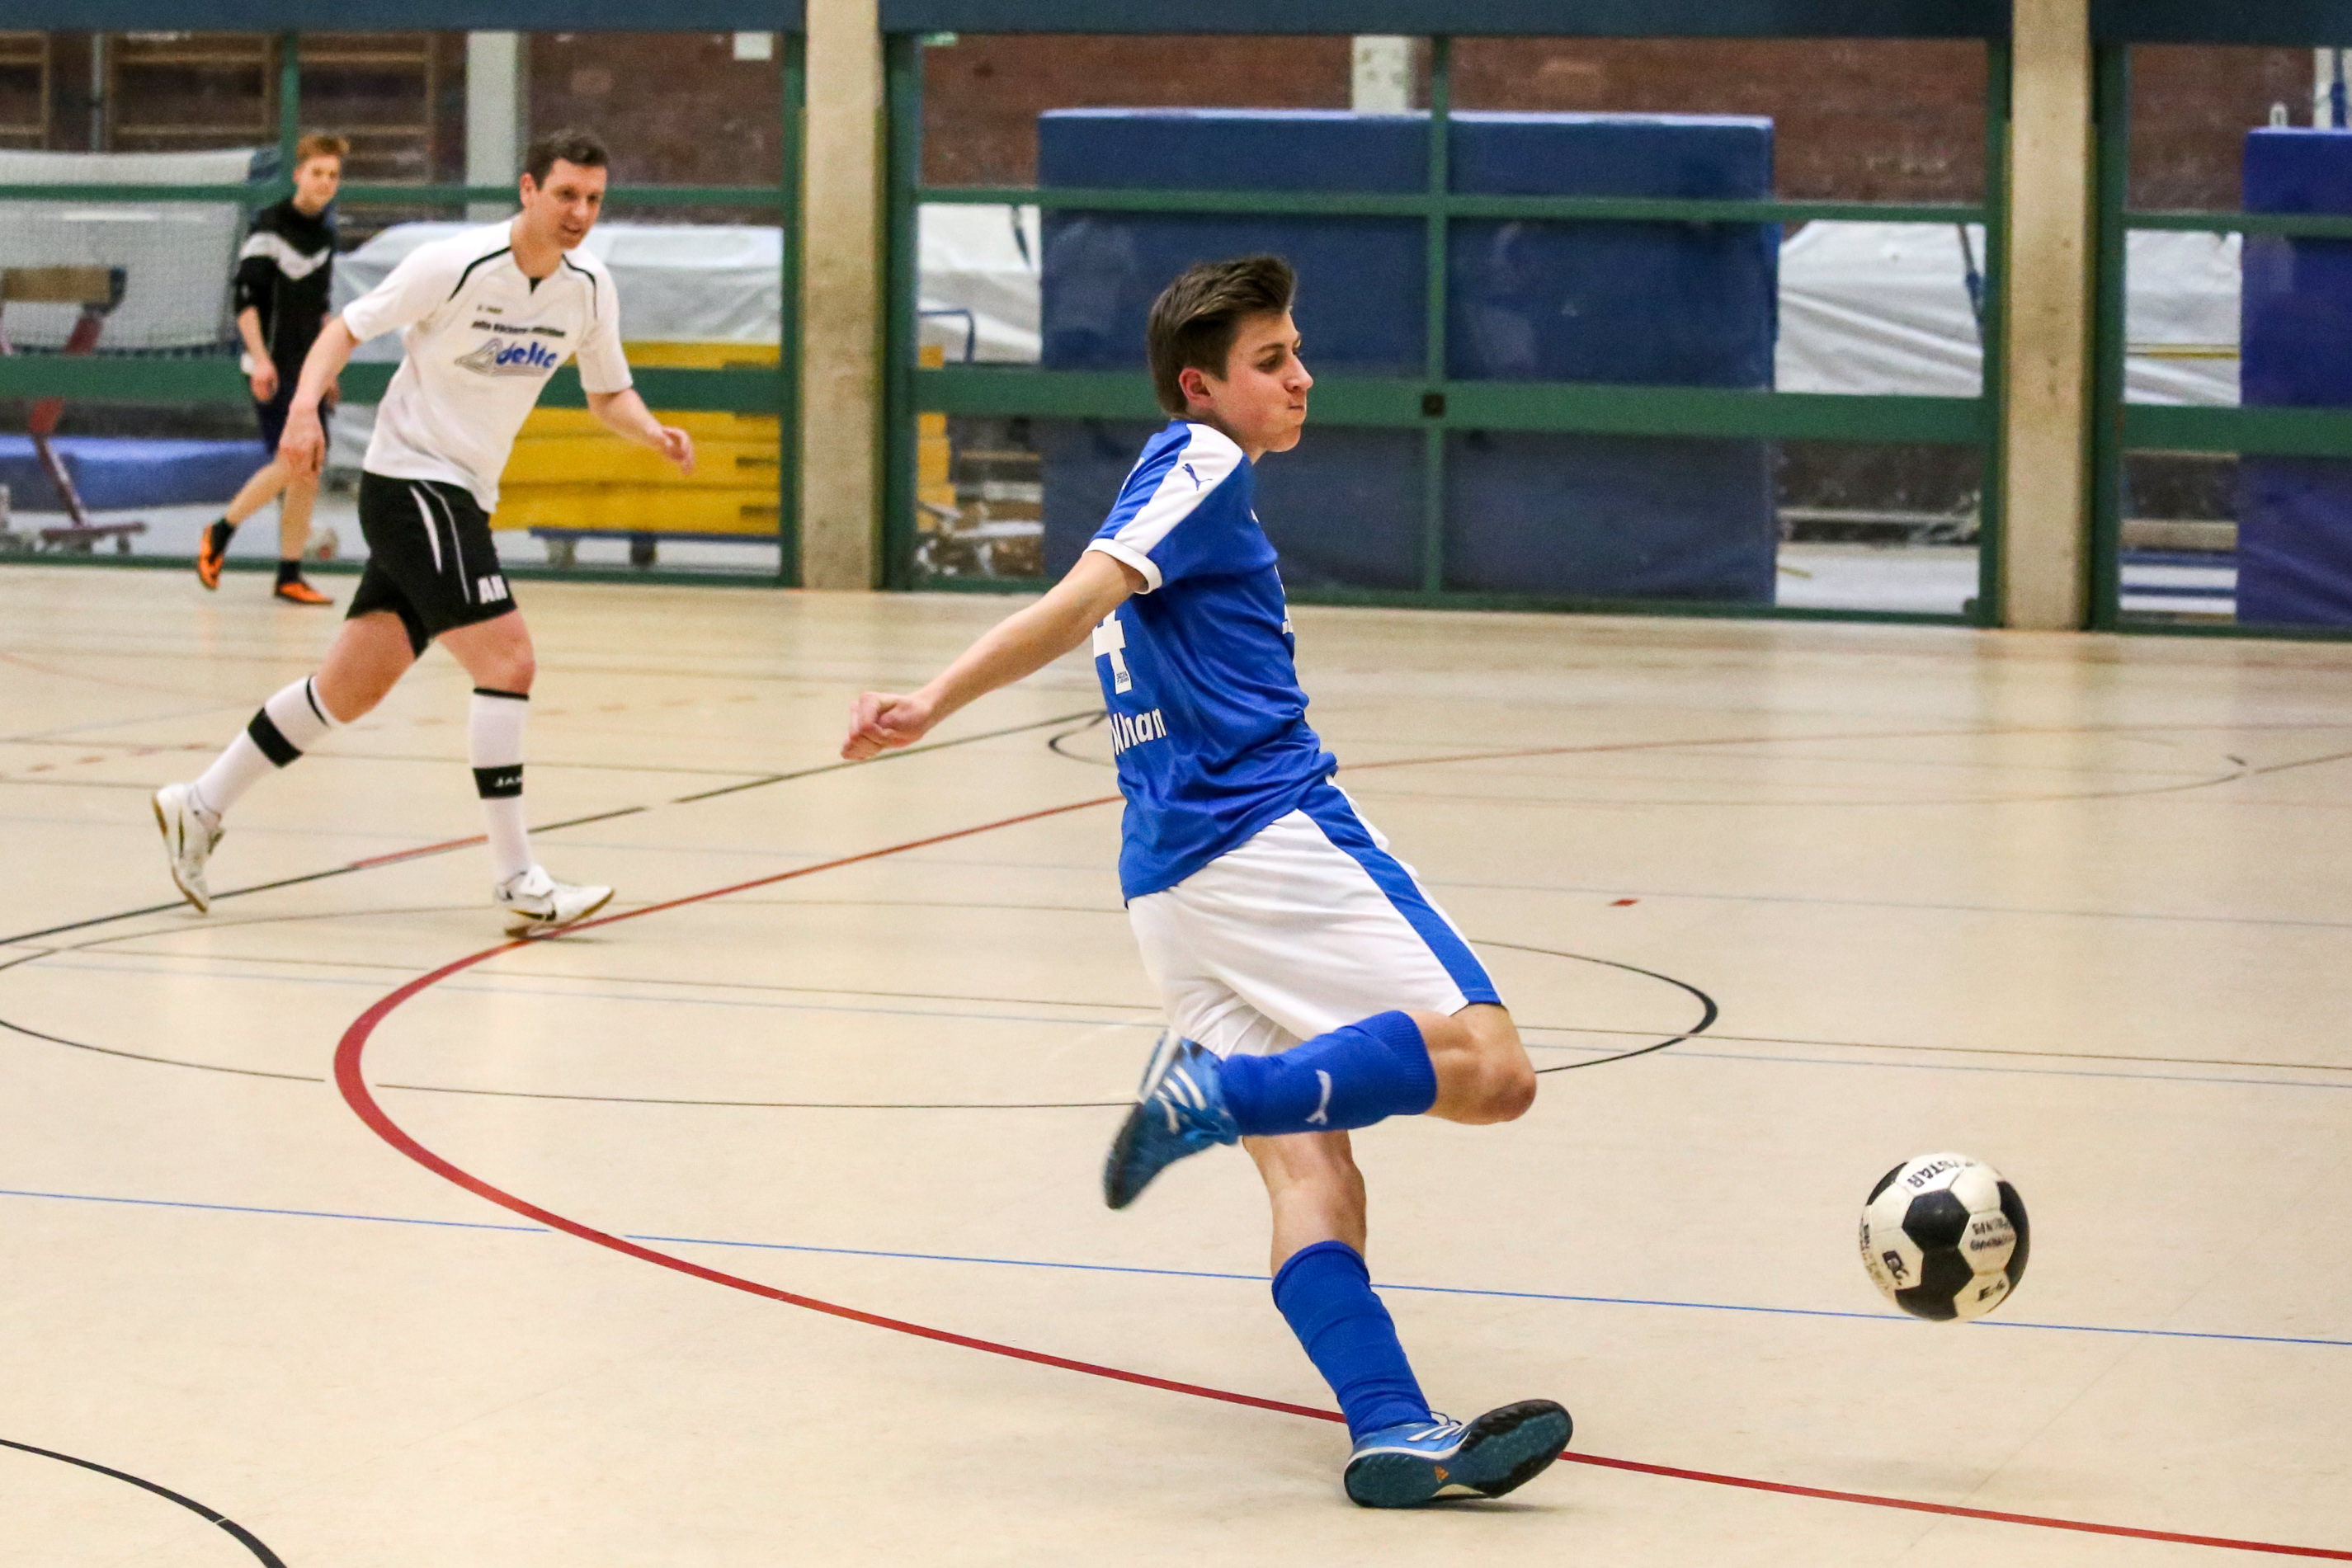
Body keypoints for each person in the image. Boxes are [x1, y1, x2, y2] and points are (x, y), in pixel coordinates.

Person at [841, 255, 1571, 1509]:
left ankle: (1391, 1427)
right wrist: (931, 699)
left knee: (1312, 1170)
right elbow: (1072, 603)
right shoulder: (1198, 460)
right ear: (1199, 386)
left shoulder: (1169, 493)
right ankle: (1211, 1094)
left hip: (1166, 888)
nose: (1300, 377)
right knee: (1493, 1070)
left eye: (1297, 352)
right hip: (1269, 836)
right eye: (1270, 361)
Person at [153, 129, 694, 935]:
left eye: (592, 198)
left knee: (348, 689)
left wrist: (650, 432)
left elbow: (607, 392)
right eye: (565, 194)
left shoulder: (588, 287)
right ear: (527, 190)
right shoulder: (455, 264)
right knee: (508, 660)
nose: (580, 212)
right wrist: (302, 411)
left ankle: (198, 803)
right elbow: (343, 329)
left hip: (465, 495)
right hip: (411, 484)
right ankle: (516, 878)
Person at [198, 131, 347, 605]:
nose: (325, 182)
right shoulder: (268, 226)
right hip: (272, 367)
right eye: (317, 172)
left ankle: (289, 574)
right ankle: (221, 530)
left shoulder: (325, 235)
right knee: (293, 461)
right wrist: (261, 361)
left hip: (308, 370)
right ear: (299, 175)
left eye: (333, 175)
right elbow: (245, 301)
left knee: (309, 470)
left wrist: (328, 370)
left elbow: (320, 309)